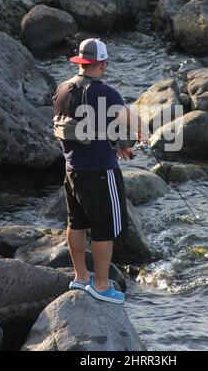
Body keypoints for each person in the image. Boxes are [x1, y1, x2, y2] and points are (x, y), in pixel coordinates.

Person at [52, 38, 148, 304]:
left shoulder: (62, 89)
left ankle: (81, 277)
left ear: (81, 61)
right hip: (100, 173)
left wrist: (115, 145)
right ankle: (103, 285)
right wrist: (145, 134)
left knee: (77, 223)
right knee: (105, 229)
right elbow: (134, 123)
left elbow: (82, 128)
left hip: (72, 172)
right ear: (103, 64)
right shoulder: (106, 93)